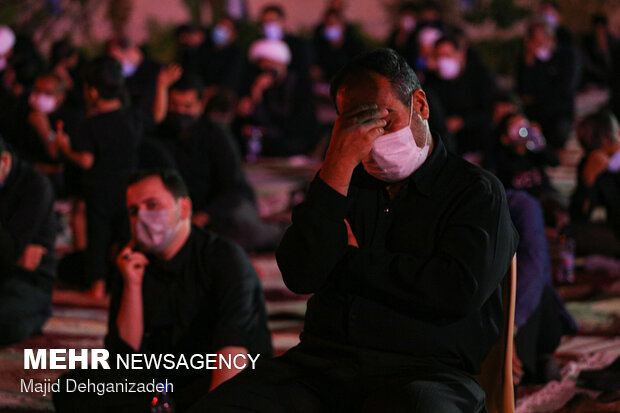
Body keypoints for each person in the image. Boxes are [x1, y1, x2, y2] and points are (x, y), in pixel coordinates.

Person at [192, 48, 518, 412]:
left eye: (384, 120)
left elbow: (457, 290)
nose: (372, 138)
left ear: (420, 106)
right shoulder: (345, 183)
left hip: (424, 372)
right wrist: (336, 166)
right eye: (356, 124)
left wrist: (350, 260)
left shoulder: (473, 190)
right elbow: (300, 273)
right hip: (321, 368)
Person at [52, 169, 273, 412]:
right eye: (134, 211)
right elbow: (123, 358)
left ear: (184, 209)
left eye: (153, 205)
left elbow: (233, 351)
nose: (143, 217)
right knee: (72, 387)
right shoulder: (134, 260)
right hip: (167, 381)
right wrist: (132, 285)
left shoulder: (224, 259)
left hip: (222, 377)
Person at [154, 73, 285, 251]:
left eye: (187, 106)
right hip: (181, 211)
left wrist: (206, 215)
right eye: (175, 105)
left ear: (200, 105)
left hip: (222, 208)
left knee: (241, 226)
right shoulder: (159, 137)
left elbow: (233, 187)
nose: (180, 112)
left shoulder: (215, 136)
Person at [57, 57, 143, 296]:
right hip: (128, 188)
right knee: (126, 237)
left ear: (92, 92)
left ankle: (98, 284)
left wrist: (65, 149)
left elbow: (86, 160)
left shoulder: (90, 125)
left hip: (99, 190)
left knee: (98, 240)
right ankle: (129, 281)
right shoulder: (132, 119)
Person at [507, 190, 576, 386]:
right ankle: (524, 370)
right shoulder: (527, 207)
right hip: (516, 321)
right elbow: (533, 272)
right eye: (560, 231)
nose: (559, 240)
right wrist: (510, 331)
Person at [0, 137, 56, 346]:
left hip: (27, 281)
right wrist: (14, 256)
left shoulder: (35, 186)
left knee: (8, 320)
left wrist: (13, 256)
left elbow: (11, 249)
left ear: (4, 161)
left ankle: (35, 316)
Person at [236, 38, 318, 157]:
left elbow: (300, 123)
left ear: (282, 63)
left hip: (292, 138)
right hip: (266, 138)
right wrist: (256, 96)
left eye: (271, 64)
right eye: (263, 65)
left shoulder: (299, 85)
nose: (266, 68)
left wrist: (269, 131)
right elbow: (251, 119)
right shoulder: (259, 85)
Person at [424, 35, 497, 161]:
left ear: (460, 55)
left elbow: (491, 110)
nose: (443, 61)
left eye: (447, 55)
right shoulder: (431, 84)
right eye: (439, 56)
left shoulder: (480, 76)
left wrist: (462, 121)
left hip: (483, 143)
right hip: (452, 150)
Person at [517, 20, 580, 150]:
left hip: (559, 113)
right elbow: (524, 91)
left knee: (557, 135)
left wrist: (538, 96)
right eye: (534, 41)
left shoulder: (566, 57)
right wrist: (529, 63)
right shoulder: (527, 61)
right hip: (535, 114)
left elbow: (564, 89)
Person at [570, 110, 620, 256]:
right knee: (574, 234)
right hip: (615, 230)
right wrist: (588, 180)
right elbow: (579, 215)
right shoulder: (591, 163)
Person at [106, 37, 160, 120]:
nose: (117, 64)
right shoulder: (123, 77)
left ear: (131, 50)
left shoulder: (155, 71)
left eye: (117, 58)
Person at [312, 8, 366, 83]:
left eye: (332, 24)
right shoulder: (320, 47)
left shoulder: (355, 47)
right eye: (327, 25)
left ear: (342, 26)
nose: (329, 28)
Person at [258, 4, 314, 77]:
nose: (269, 25)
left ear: (282, 21)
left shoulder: (297, 44)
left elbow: (303, 71)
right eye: (265, 22)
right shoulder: (260, 47)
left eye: (272, 21)